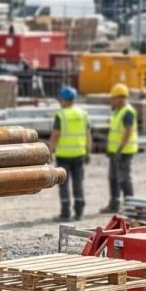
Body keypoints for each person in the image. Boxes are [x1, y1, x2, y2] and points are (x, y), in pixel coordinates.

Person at [48, 86, 91, 222]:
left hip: (64, 156)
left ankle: (65, 213)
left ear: (63, 100)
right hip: (79, 154)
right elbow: (88, 134)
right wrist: (88, 151)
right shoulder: (83, 114)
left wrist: (50, 152)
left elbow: (55, 135)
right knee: (78, 184)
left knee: (64, 184)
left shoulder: (61, 115)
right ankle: (79, 212)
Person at [102, 83, 137, 213]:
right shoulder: (118, 111)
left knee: (124, 179)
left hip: (123, 151)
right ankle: (114, 204)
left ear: (120, 98)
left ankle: (130, 207)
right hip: (115, 151)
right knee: (113, 178)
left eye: (114, 98)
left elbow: (128, 131)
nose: (113, 101)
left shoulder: (127, 112)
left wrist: (120, 149)